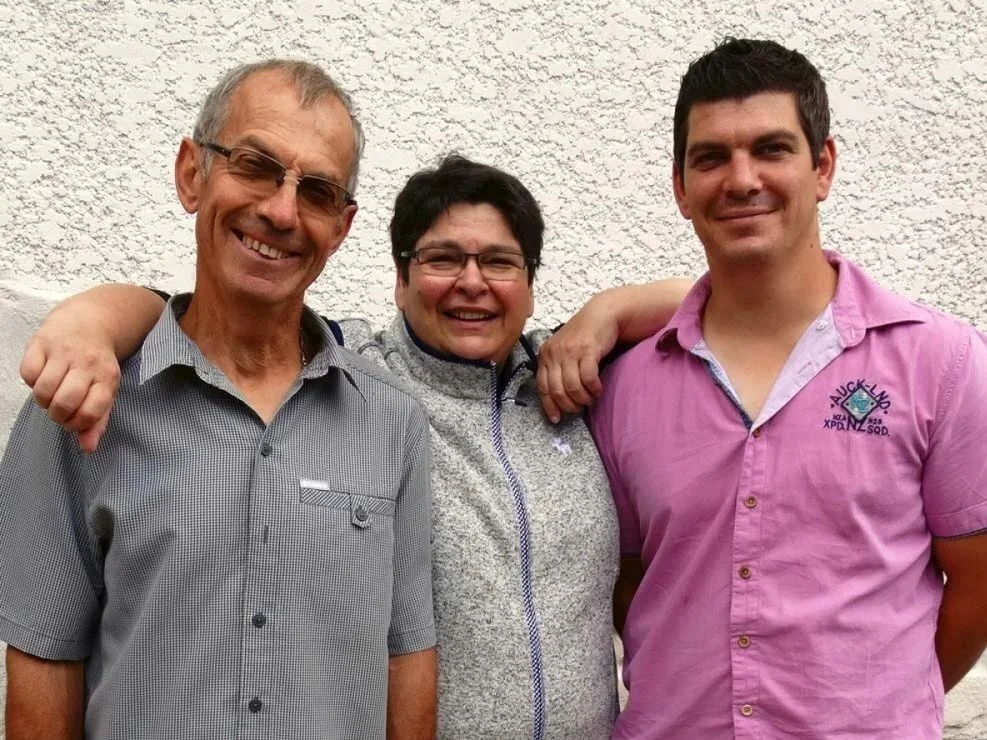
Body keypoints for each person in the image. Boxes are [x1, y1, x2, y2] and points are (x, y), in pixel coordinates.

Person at [15, 153, 691, 737]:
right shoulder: (361, 372)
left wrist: (608, 309)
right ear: (399, 278)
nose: (472, 282)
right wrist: (90, 319)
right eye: (442, 258)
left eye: (499, 262)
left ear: (530, 282)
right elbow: (192, 317)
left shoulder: (572, 379)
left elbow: (726, 299)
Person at [0, 59, 438, 740]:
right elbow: (43, 673)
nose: (282, 211)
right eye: (255, 165)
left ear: (342, 226)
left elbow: (406, 661)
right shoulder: (80, 407)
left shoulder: (392, 422)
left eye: (317, 191)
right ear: (191, 173)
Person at [586, 38, 987, 739]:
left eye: (771, 149)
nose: (741, 180)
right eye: (711, 157)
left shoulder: (941, 363)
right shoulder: (623, 385)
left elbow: (978, 584)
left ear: (822, 165)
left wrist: (882, 704)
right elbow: (624, 580)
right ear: (680, 187)